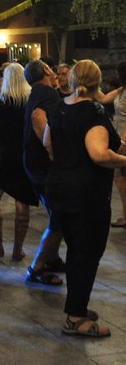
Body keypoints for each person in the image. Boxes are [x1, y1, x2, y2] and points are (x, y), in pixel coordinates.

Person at [43, 60, 126, 338]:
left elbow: (47, 144)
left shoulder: (58, 108)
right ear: (98, 82)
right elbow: (99, 154)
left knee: (76, 250)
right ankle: (76, 318)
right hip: (86, 195)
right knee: (87, 254)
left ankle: (76, 307)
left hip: (59, 189)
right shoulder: (92, 113)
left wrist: (66, 163)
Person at [0, 63, 37, 260]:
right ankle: (18, 250)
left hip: (4, 157)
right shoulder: (31, 101)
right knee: (23, 201)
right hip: (25, 157)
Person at [24, 59, 66, 286]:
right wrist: (51, 150)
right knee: (59, 217)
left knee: (56, 214)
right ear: (46, 72)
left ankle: (52, 258)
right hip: (43, 166)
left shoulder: (39, 91)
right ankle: (37, 267)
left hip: (33, 164)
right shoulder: (47, 93)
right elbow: (37, 118)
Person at [96, 60, 126, 229]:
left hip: (124, 138)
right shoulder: (121, 90)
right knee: (121, 178)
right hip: (119, 136)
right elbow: (104, 98)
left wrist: (123, 141)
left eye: (118, 72)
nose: (115, 75)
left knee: (120, 177)